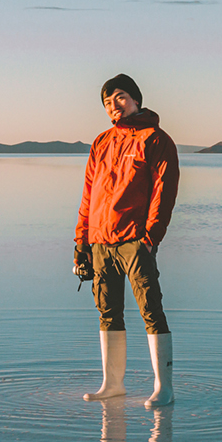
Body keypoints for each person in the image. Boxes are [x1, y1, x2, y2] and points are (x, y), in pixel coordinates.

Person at [73, 74, 180, 407]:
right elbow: (89, 195)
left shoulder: (156, 139)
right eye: (107, 102)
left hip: (136, 240)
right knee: (108, 312)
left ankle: (164, 388)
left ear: (136, 99)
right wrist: (82, 243)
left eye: (119, 97)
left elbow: (165, 191)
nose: (113, 106)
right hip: (101, 242)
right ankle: (112, 384)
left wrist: (151, 237)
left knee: (151, 310)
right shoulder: (101, 142)